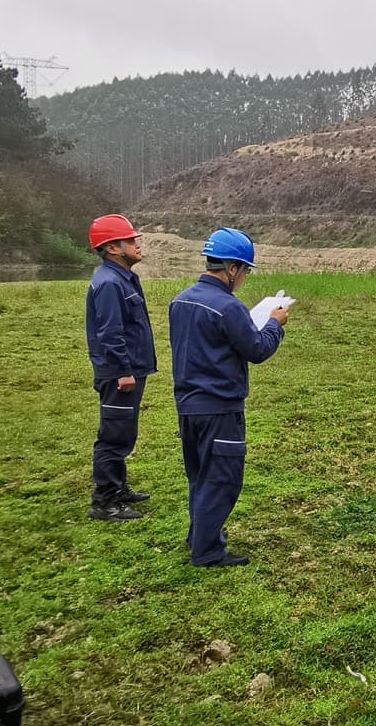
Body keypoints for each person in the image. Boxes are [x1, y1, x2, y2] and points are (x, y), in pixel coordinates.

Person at [168, 228, 288, 568]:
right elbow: (258, 349)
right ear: (232, 269)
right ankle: (207, 551)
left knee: (200, 475)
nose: (246, 277)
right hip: (220, 407)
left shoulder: (181, 300)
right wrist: (275, 324)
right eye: (246, 270)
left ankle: (199, 536)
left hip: (188, 407)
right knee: (222, 478)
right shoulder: (228, 307)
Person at [85, 214, 157, 522]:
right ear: (113, 248)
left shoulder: (123, 277)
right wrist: (123, 371)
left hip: (130, 369)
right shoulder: (110, 283)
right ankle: (105, 501)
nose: (137, 245)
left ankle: (119, 488)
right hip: (120, 374)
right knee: (114, 436)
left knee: (124, 432)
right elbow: (110, 333)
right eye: (131, 241)